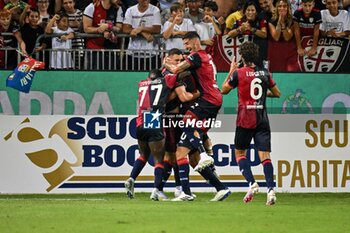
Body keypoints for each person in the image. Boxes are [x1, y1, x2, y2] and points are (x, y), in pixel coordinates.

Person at [164, 31, 231, 202]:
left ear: (195, 41)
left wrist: (167, 64)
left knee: (187, 120)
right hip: (213, 99)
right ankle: (220, 188)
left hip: (208, 100)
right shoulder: (206, 56)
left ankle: (205, 154)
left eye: (187, 43)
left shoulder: (196, 56)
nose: (185, 47)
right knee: (185, 155)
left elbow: (176, 69)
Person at [221, 41, 281, 205]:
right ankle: (270, 190)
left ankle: (252, 183)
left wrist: (231, 70)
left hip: (244, 119)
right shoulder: (265, 73)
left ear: (242, 56)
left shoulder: (238, 73)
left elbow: (223, 90)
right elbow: (277, 93)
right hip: (262, 119)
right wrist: (260, 97)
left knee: (240, 154)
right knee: (265, 156)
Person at [124, 68, 195, 201]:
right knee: (159, 159)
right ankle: (156, 190)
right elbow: (180, 75)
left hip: (140, 120)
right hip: (154, 118)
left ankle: (131, 178)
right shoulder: (164, 81)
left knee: (143, 155)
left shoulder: (141, 83)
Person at [83, 0, 123, 70]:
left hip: (112, 49)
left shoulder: (118, 9)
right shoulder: (91, 7)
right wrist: (99, 30)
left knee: (112, 77)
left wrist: (109, 26)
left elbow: (119, 28)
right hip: (94, 49)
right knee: (95, 77)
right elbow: (86, 28)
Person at [122, 0, 161, 71]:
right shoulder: (130, 10)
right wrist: (142, 32)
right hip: (133, 52)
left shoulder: (155, 10)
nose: (146, 0)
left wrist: (141, 28)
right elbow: (125, 28)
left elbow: (157, 28)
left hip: (151, 52)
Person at [268, 0, 298, 71]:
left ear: (288, 8)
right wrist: (279, 23)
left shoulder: (293, 21)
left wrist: (283, 25)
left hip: (290, 51)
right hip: (276, 51)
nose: (282, 8)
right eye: (280, 6)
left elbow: (287, 37)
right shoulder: (271, 21)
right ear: (276, 8)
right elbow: (276, 37)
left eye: (284, 6)